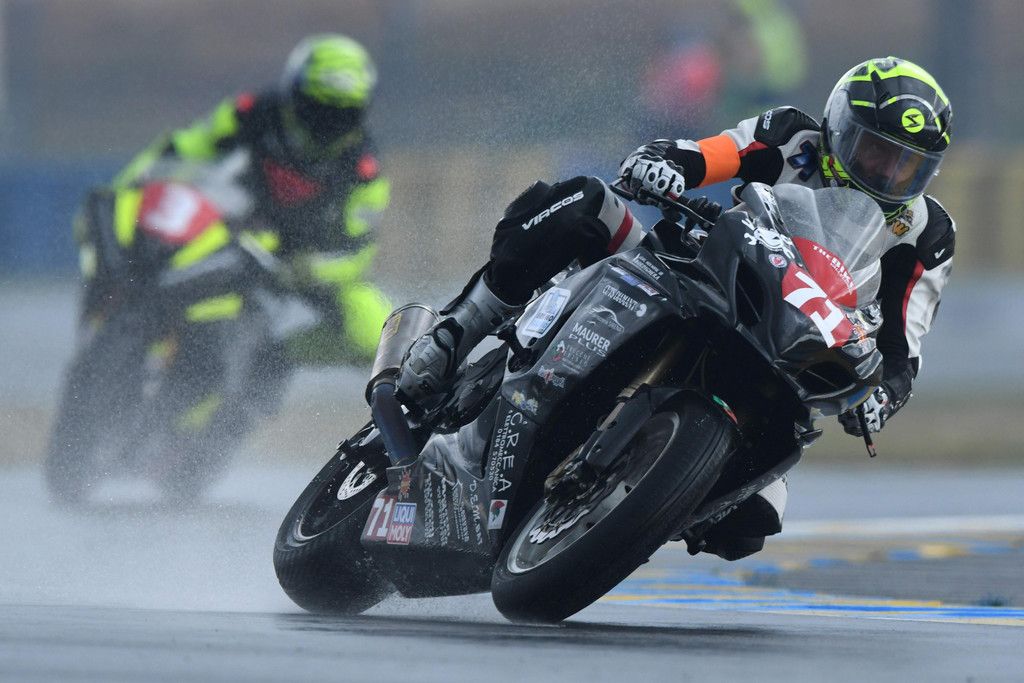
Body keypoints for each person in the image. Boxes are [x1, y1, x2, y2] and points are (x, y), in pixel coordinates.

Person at [396, 56, 955, 560]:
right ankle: (455, 334)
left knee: (750, 525)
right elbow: (707, 155)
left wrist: (883, 398)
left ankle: (640, 503)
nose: (886, 173)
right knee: (585, 204)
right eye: (875, 150)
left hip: (790, 353)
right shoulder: (791, 136)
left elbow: (903, 351)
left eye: (907, 165)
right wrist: (662, 165)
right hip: (705, 275)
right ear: (838, 128)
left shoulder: (928, 235)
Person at [110, 33, 392, 364]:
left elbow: (359, 253)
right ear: (294, 95)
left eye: (342, 117)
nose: (326, 126)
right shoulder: (251, 113)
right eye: (316, 111)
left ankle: (278, 355)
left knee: (381, 336)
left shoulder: (364, 172)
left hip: (305, 263)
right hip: (232, 233)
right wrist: (124, 189)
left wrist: (311, 270)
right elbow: (183, 147)